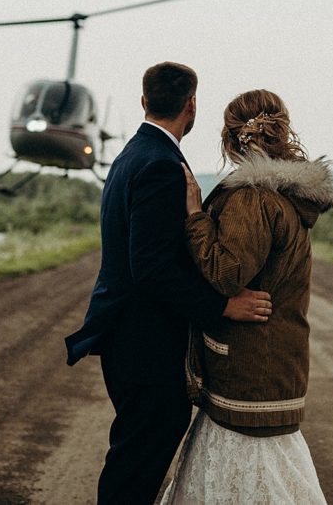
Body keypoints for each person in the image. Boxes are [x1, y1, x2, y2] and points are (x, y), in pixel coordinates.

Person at [64, 63, 273, 504]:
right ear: (192, 105)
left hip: (127, 339)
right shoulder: (160, 164)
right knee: (134, 469)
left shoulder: (131, 156)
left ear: (144, 101)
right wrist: (222, 307)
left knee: (131, 460)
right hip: (145, 347)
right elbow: (152, 268)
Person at [161, 88, 333, 504]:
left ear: (228, 138)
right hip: (273, 365)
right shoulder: (285, 196)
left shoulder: (253, 199)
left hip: (249, 367)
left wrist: (195, 217)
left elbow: (226, 274)